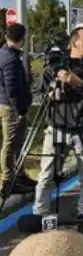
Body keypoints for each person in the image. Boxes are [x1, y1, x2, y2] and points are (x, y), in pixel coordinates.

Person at [33, 28, 83, 233]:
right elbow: (41, 91)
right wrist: (51, 94)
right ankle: (39, 214)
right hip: (56, 126)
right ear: (74, 43)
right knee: (46, 174)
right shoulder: (56, 64)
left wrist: (76, 82)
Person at [0, 23, 34, 195]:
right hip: (10, 107)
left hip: (8, 104)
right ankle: (8, 180)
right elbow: (12, 89)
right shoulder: (10, 59)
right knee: (11, 142)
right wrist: (19, 111)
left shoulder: (6, 53)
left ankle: (19, 175)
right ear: (21, 38)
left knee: (18, 142)